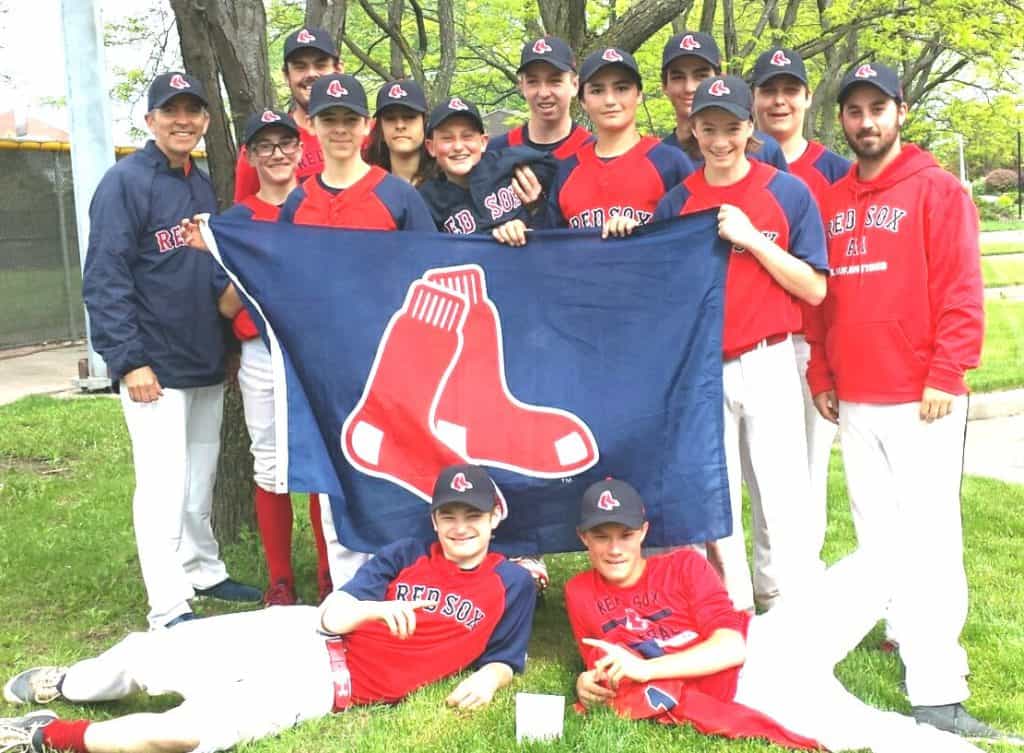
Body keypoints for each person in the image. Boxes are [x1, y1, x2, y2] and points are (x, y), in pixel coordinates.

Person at [0, 465, 536, 753]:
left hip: (325, 687)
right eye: (449, 516)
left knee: (184, 735)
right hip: (300, 634)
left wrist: (490, 680)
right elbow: (331, 616)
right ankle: (71, 683)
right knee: (151, 657)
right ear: (435, 520)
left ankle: (45, 735)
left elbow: (506, 656)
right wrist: (372, 613)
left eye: (473, 515)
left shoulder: (512, 583)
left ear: (494, 517)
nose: (461, 527)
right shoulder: (407, 554)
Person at [807, 62, 997, 739]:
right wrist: (821, 374)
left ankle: (939, 684)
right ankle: (900, 629)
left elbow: (961, 292)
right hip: (855, 396)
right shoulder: (830, 202)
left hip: (923, 400)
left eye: (876, 109)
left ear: (901, 111)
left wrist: (947, 372)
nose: (865, 123)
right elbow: (821, 301)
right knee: (878, 536)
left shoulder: (939, 191)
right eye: (853, 111)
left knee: (931, 540)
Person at [565, 478, 1007, 752]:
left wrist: (645, 669)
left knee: (882, 558)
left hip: (766, 641)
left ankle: (935, 665)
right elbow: (602, 665)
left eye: (625, 534)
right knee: (873, 733)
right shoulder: (579, 590)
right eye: (602, 536)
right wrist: (588, 684)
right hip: (754, 687)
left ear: (643, 532)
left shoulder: (681, 564)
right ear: (584, 538)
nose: (615, 548)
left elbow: (731, 644)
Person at [81, 71, 260, 630]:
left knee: (198, 476)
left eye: (193, 111)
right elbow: (104, 276)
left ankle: (201, 569)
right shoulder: (125, 182)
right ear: (150, 119)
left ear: (206, 121)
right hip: (152, 364)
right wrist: (127, 359)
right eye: (171, 111)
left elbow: (209, 269)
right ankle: (166, 603)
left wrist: (228, 349)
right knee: (161, 484)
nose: (183, 120)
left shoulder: (198, 182)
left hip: (202, 356)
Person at [653, 76, 827, 613]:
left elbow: (816, 288)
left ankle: (787, 601)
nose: (720, 140)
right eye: (709, 128)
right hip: (704, 366)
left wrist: (753, 240)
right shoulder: (678, 202)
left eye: (731, 127)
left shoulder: (786, 191)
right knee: (716, 494)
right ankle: (734, 611)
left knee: (781, 494)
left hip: (770, 356)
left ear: (750, 127)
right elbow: (659, 292)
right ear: (694, 130)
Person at [191, 109, 336, 606]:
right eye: (265, 146)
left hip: (314, 349)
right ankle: (280, 580)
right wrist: (251, 268)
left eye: (286, 144)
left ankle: (328, 573)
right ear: (250, 156)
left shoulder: (320, 204)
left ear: (301, 149)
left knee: (321, 463)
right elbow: (224, 304)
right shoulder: (235, 221)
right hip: (261, 350)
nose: (277, 154)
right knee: (270, 464)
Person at [747, 47, 851, 609]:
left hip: (813, 339)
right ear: (754, 100)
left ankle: (799, 581)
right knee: (761, 473)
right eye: (768, 90)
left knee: (806, 469)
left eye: (790, 90)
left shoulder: (833, 169)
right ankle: (766, 583)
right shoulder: (738, 160)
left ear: (808, 97)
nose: (779, 100)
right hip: (758, 339)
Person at [545, 47, 694, 239]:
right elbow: (549, 249)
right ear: (582, 101)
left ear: (639, 95)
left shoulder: (670, 162)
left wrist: (642, 233)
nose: (609, 100)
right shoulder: (567, 170)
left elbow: (693, 238)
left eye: (622, 88)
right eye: (597, 90)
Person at [419, 96, 556, 241]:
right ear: (431, 147)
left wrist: (533, 212)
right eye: (447, 138)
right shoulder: (427, 200)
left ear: (483, 142)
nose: (458, 147)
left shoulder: (507, 163)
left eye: (467, 137)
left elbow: (557, 176)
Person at [233, 27, 342, 201]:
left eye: (320, 65)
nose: (311, 74)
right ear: (286, 76)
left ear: (338, 69)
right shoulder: (262, 145)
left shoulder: (365, 135)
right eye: (300, 67)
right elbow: (245, 216)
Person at [659, 31, 787, 171]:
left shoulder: (764, 150)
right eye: (678, 77)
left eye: (701, 76)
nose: (689, 87)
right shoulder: (657, 160)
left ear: (721, 78)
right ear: (664, 86)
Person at [487, 36, 591, 160]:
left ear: (574, 85)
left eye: (554, 81)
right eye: (533, 82)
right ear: (522, 87)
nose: (543, 93)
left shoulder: (595, 152)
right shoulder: (495, 153)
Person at [365, 78, 435, 186]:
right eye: (390, 118)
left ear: (424, 123)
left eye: (410, 117)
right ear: (380, 129)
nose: (400, 125)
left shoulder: (445, 184)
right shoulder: (368, 186)